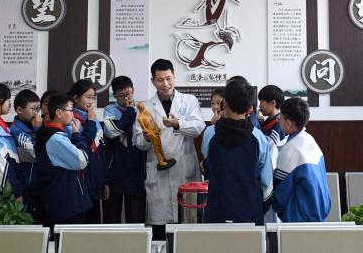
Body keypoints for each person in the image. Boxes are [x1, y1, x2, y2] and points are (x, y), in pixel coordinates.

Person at [132, 59, 205, 240]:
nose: (165, 84)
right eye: (160, 80)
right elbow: (138, 142)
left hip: (184, 169)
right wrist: (147, 137)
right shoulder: (145, 107)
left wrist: (178, 124)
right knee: (160, 229)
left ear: (174, 77)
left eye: (168, 78)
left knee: (187, 230)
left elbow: (198, 127)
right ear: (152, 81)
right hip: (159, 175)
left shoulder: (189, 101)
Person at [201, 78, 273, 225]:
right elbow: (267, 183)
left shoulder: (210, 133)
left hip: (216, 210)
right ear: (250, 109)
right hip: (250, 212)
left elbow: (208, 162)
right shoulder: (259, 138)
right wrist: (258, 208)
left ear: (224, 103)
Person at [28, 93, 93, 227]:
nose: (73, 115)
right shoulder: (56, 139)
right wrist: (76, 134)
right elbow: (82, 160)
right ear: (59, 112)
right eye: (70, 110)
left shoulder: (52, 134)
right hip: (66, 205)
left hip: (66, 202)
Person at [272, 97, 331, 222]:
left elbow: (280, 195)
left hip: (298, 218)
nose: (278, 120)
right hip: (320, 213)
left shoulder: (289, 150)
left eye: (280, 117)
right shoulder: (310, 139)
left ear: (288, 123)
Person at [102, 75, 146, 224]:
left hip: (136, 169)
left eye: (128, 93)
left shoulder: (142, 110)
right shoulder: (110, 110)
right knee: (111, 217)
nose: (126, 98)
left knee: (136, 216)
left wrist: (131, 114)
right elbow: (111, 132)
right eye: (121, 95)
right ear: (114, 96)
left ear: (133, 91)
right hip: (115, 170)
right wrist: (130, 112)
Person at [70, 79, 108, 223]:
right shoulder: (71, 119)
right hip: (81, 181)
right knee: (81, 226)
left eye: (93, 97)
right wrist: (90, 122)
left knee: (95, 225)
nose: (91, 101)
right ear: (75, 98)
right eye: (88, 97)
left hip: (96, 179)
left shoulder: (93, 118)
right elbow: (81, 147)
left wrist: (104, 181)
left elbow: (101, 150)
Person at [257, 84, 286, 222]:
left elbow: (270, 158)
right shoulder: (269, 122)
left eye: (261, 102)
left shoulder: (277, 127)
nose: (259, 106)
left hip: (272, 179)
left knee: (271, 219)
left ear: (272, 103)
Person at [10, 88, 41, 185]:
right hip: (28, 182)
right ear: (19, 110)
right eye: (33, 109)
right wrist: (38, 130)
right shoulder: (16, 131)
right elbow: (32, 156)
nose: (36, 113)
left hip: (37, 179)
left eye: (38, 108)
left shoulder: (32, 124)